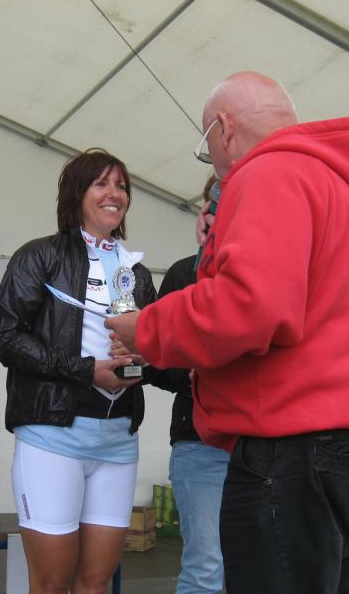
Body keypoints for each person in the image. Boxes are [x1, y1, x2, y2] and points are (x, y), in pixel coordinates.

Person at [106, 72, 349, 594]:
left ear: (223, 129)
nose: (216, 168)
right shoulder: (344, 185)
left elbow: (249, 306)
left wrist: (145, 328)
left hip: (296, 444)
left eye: (207, 149)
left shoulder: (270, 171)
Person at [0, 148, 156, 594]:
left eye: (121, 186)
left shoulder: (137, 272)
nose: (114, 194)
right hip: (53, 437)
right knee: (51, 583)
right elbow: (3, 336)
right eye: (101, 183)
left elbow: (156, 347)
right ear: (76, 193)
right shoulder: (39, 256)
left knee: (95, 583)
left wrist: (147, 358)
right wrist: (85, 371)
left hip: (118, 442)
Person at [149, 176, 228, 594]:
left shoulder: (272, 270)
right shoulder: (184, 273)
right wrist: (192, 375)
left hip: (266, 448)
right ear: (206, 211)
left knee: (261, 568)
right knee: (206, 567)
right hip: (201, 446)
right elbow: (153, 360)